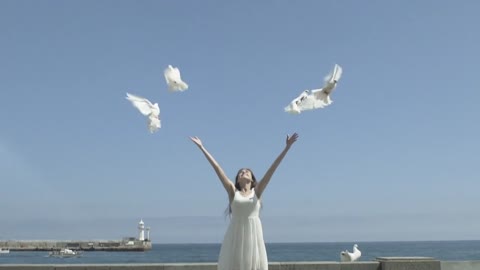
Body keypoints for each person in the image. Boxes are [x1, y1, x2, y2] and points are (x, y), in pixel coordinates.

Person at [190, 133, 299, 270]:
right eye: (241, 172)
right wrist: (202, 147)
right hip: (235, 235)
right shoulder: (232, 191)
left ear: (252, 179)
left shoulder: (257, 192)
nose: (244, 172)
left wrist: (287, 148)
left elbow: (273, 169)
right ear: (237, 179)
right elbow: (217, 168)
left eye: (247, 171)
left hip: (253, 236)